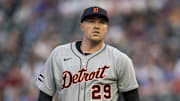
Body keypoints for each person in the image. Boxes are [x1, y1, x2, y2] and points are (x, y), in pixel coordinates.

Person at [36, 6, 139, 101]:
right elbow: (45, 95)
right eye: (91, 22)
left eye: (102, 22)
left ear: (106, 28)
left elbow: (133, 98)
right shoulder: (58, 54)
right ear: (82, 27)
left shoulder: (120, 59)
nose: (97, 26)